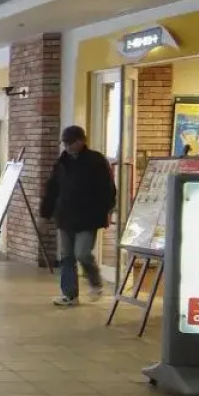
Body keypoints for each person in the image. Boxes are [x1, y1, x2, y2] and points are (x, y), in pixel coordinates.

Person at [40, 124, 117, 307]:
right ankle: (69, 294)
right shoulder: (62, 162)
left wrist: (107, 210)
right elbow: (52, 189)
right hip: (65, 216)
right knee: (67, 257)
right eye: (65, 143)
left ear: (82, 141)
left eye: (71, 143)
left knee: (82, 253)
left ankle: (95, 282)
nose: (67, 147)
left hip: (87, 217)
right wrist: (45, 214)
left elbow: (108, 189)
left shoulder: (96, 160)